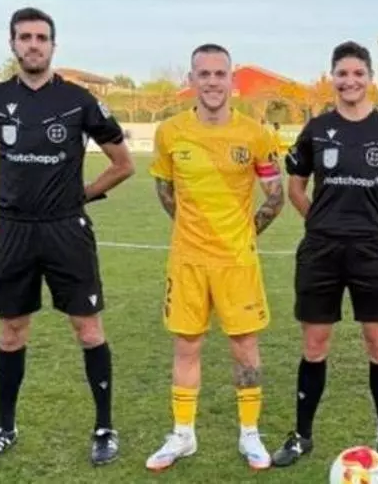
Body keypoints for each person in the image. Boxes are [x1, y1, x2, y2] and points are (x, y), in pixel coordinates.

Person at [0, 7, 135, 465]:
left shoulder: (79, 100)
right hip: (14, 231)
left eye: (41, 38)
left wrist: (83, 194)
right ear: (12, 45)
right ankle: (4, 427)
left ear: (53, 46)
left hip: (66, 229)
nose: (33, 45)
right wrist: (10, 190)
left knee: (88, 328)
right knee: (11, 332)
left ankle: (104, 427)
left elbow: (123, 164)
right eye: (25, 37)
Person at [271, 41, 378, 473]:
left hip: (371, 252)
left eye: (358, 73)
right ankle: (302, 436)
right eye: (342, 73)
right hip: (321, 251)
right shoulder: (316, 129)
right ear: (332, 77)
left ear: (369, 78)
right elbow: (296, 184)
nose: (350, 81)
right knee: (315, 344)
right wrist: (319, 221)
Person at [145, 43, 284, 472]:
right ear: (191, 81)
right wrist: (191, 231)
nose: (211, 82)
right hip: (187, 261)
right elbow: (164, 189)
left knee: (245, 345)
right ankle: (183, 434)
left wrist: (242, 235)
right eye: (203, 74)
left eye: (219, 74)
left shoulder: (256, 135)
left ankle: (250, 434)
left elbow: (275, 196)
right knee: (186, 345)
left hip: (236, 263)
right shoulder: (170, 132)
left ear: (231, 81)